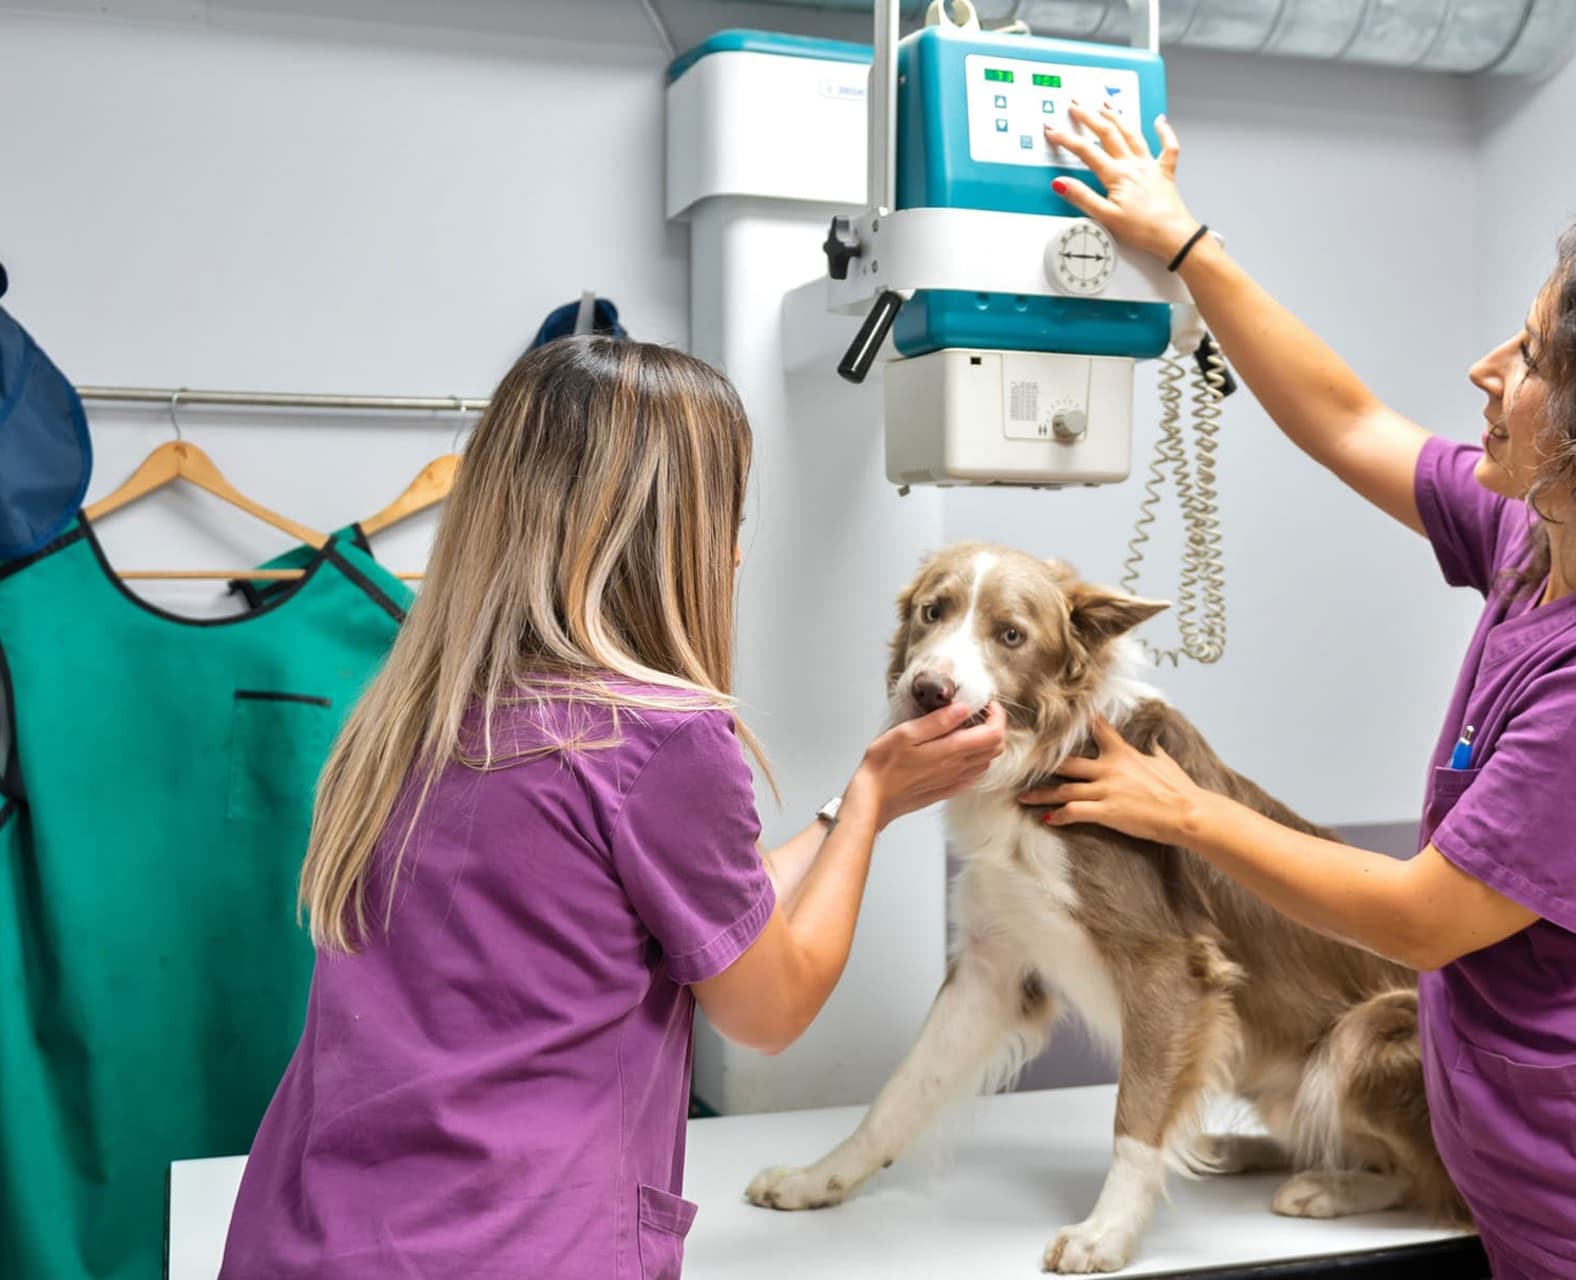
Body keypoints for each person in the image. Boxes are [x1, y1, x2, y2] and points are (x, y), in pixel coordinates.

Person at [1021, 102, 1576, 1279]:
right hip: (1556, 1188)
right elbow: (1345, 418)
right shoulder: (1540, 542)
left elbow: (1425, 916)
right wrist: (1187, 249)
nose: (1485, 371)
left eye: (1528, 357)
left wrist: (1184, 810)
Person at [220, 338, 1006, 1278]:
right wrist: (874, 805)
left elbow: (699, 915)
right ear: (667, 530)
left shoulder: (408, 715)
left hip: (314, 1234)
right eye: (728, 512)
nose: (739, 546)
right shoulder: (658, 735)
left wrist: (847, 806)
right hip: (515, 1246)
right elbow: (771, 1006)